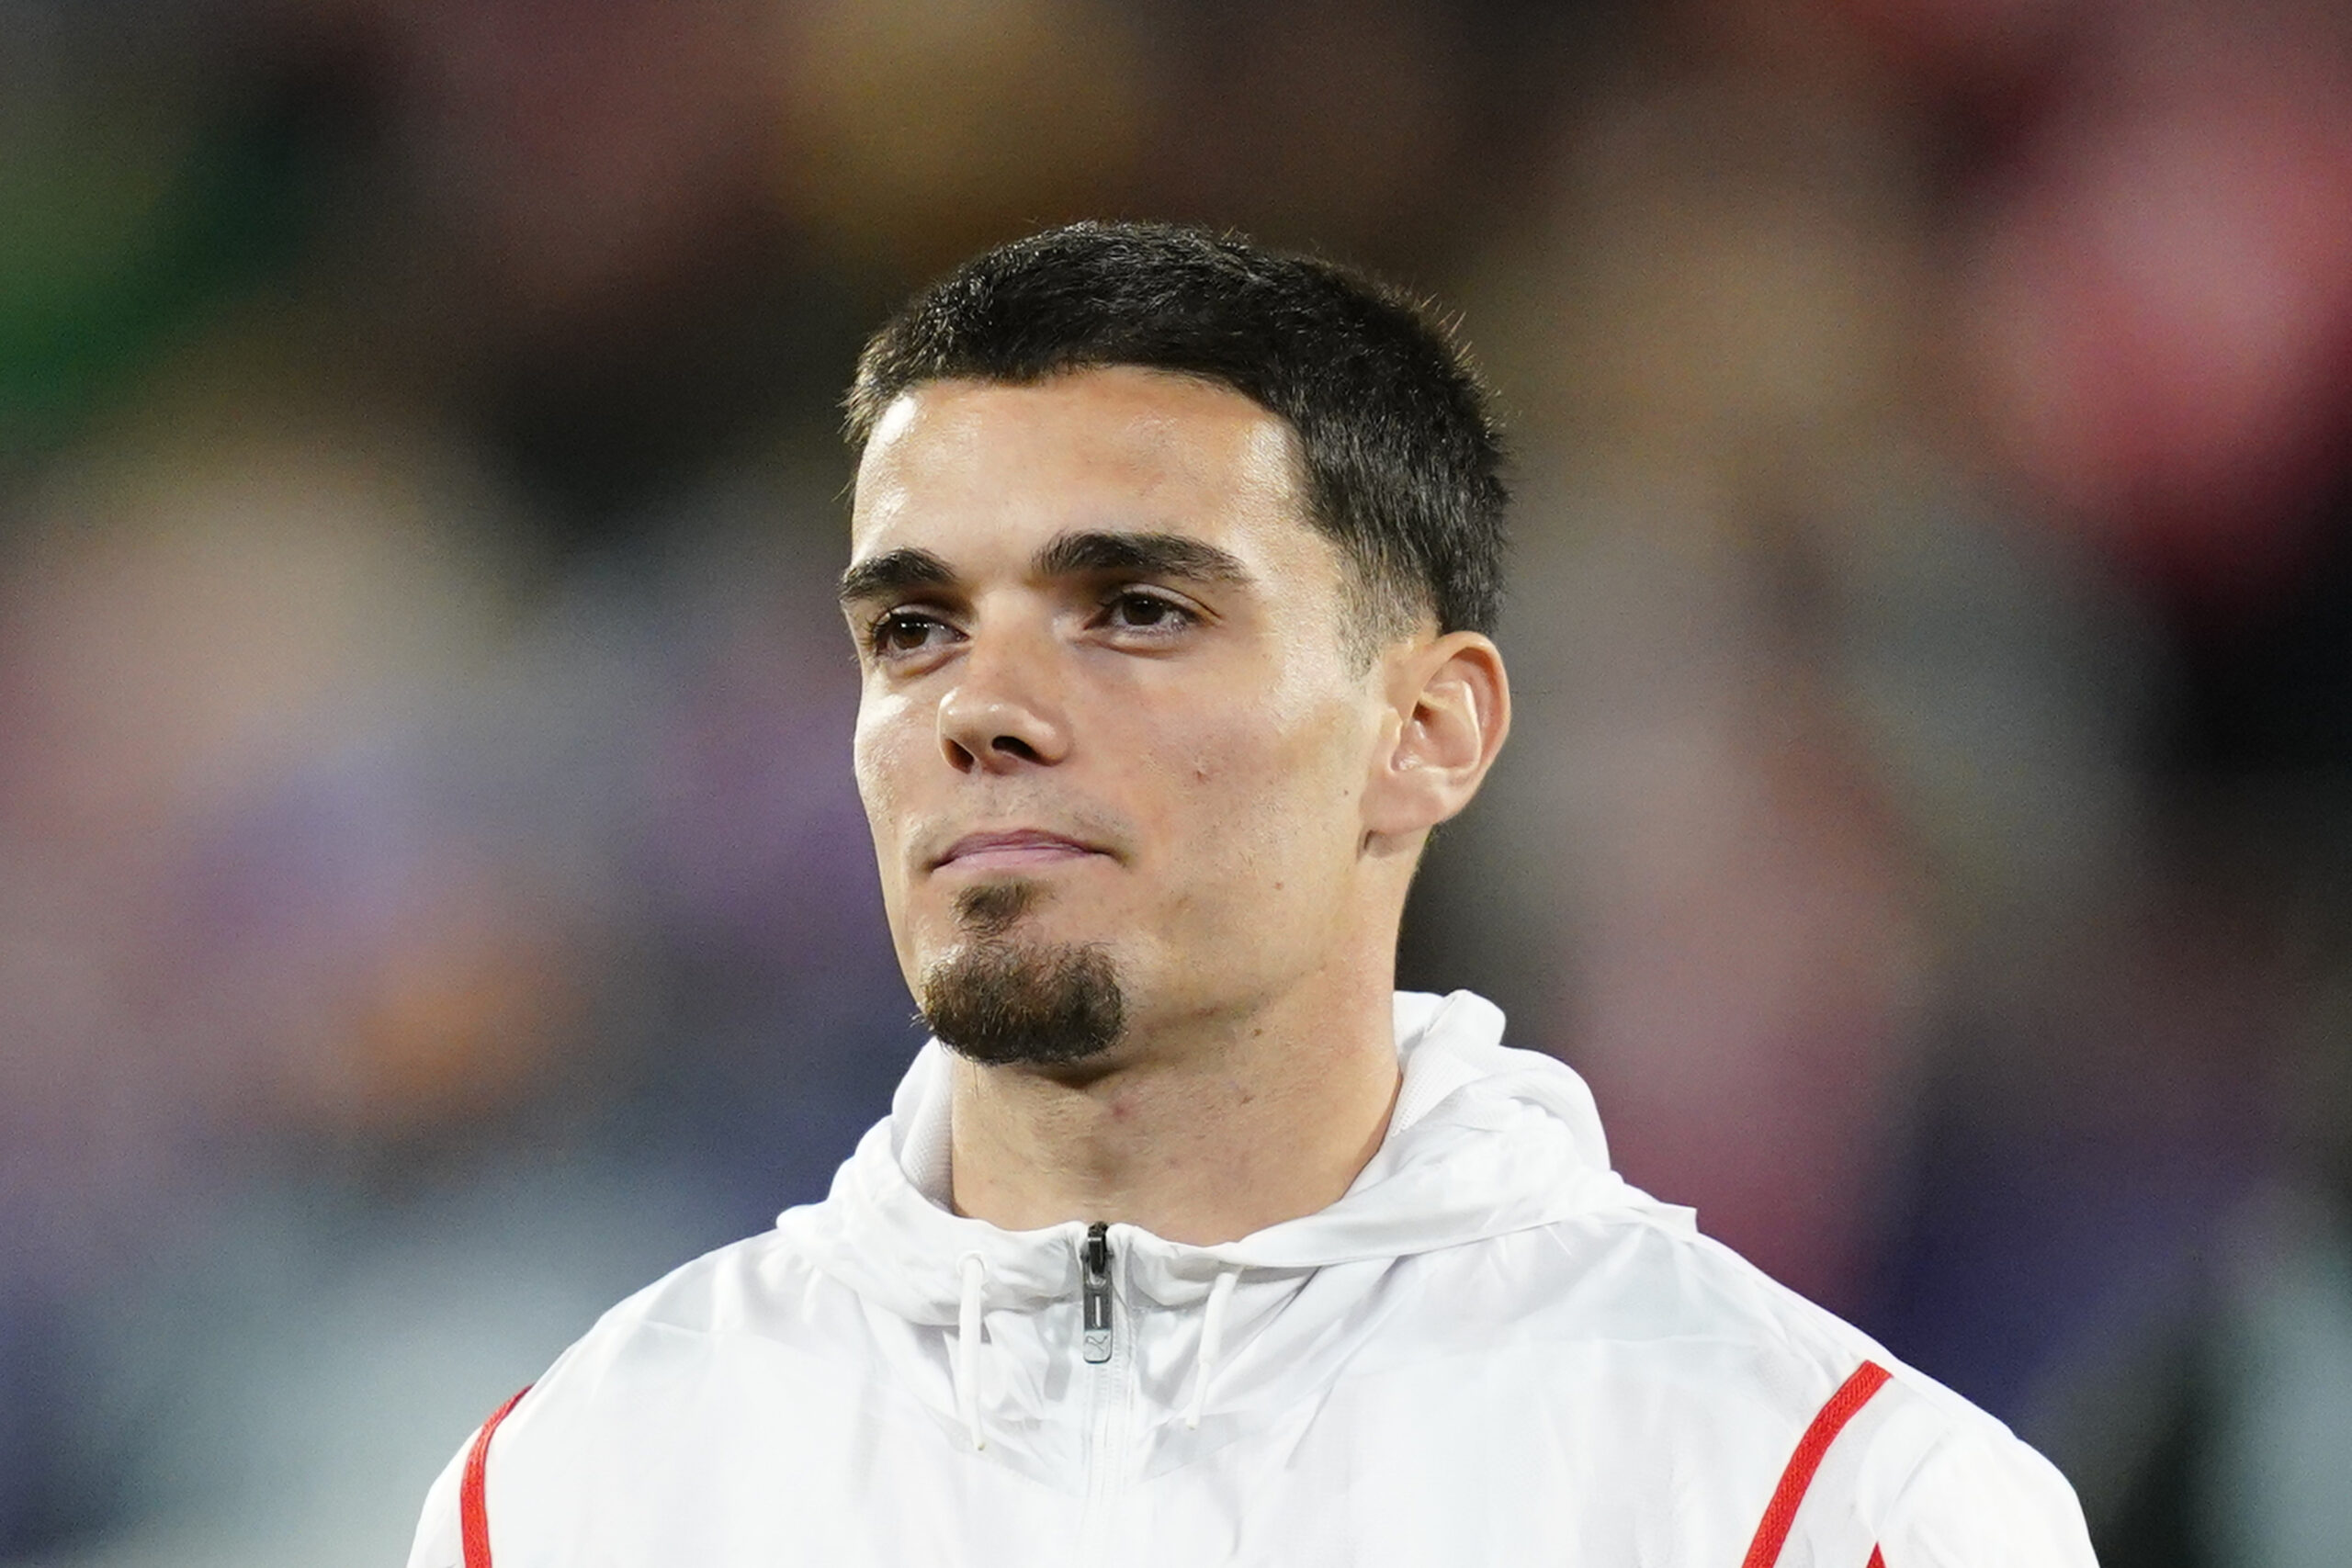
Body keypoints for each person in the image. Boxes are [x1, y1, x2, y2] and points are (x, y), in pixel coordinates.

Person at [406, 221, 2096, 1566]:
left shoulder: (1823, 1509)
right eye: (911, 628)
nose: (977, 708)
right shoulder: (575, 1496)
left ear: (1427, 730)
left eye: (1136, 609)